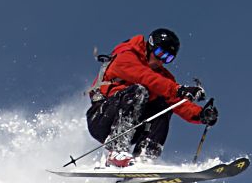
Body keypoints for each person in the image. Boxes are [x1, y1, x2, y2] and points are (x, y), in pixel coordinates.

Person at [86, 28, 218, 168]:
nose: (160, 60)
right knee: (139, 91)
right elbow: (145, 77)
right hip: (102, 118)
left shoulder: (162, 76)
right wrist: (179, 89)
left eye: (167, 58)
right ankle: (117, 150)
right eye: (160, 53)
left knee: (163, 104)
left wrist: (200, 114)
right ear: (149, 46)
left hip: (133, 126)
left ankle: (144, 157)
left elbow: (175, 101)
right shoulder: (126, 55)